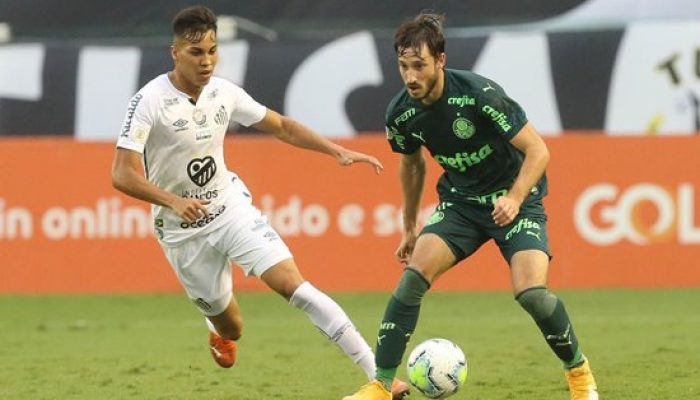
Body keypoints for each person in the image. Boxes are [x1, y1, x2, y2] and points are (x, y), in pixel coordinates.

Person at [110, 5, 409, 399]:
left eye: (213, 51)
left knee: (293, 285)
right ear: (175, 52)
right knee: (233, 327)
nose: (207, 61)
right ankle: (217, 330)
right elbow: (122, 174)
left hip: (228, 206)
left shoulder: (223, 92)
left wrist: (335, 151)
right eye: (196, 52)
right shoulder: (149, 101)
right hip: (182, 232)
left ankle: (381, 380)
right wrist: (172, 201)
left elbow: (282, 126)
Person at [343, 12, 598, 400]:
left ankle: (579, 373)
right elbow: (412, 164)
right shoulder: (400, 114)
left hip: (516, 202)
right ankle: (381, 384)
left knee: (531, 293)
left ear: (440, 61)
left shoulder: (479, 94)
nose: (410, 76)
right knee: (412, 279)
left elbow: (537, 150)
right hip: (461, 205)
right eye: (403, 66)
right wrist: (410, 225)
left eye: (419, 66)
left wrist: (514, 198)